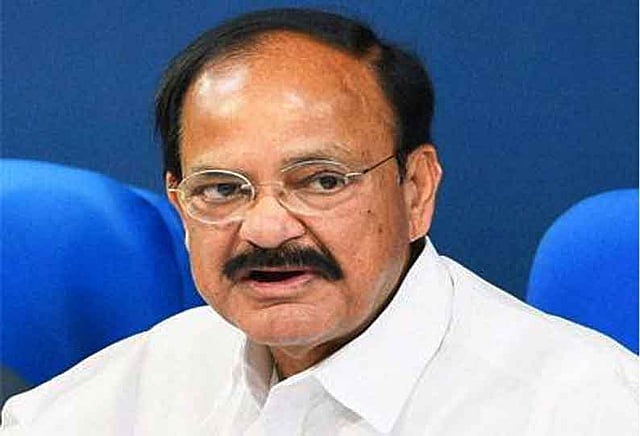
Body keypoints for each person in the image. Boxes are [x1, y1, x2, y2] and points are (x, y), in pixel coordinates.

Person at [1, 8, 637, 435]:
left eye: (322, 181)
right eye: (222, 189)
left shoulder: (588, 412)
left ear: (416, 189)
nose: (266, 229)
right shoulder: (103, 405)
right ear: (179, 204)